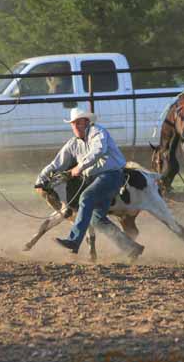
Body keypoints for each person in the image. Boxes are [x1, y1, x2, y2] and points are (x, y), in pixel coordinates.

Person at [35, 107, 145, 259]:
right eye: (74, 123)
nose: (77, 126)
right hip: (99, 180)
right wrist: (41, 178)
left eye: (80, 122)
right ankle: (131, 248)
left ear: (87, 122)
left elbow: (98, 150)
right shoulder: (73, 144)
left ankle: (74, 241)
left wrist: (79, 167)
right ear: (71, 125)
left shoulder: (98, 132)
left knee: (86, 198)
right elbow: (56, 164)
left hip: (112, 175)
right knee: (97, 219)